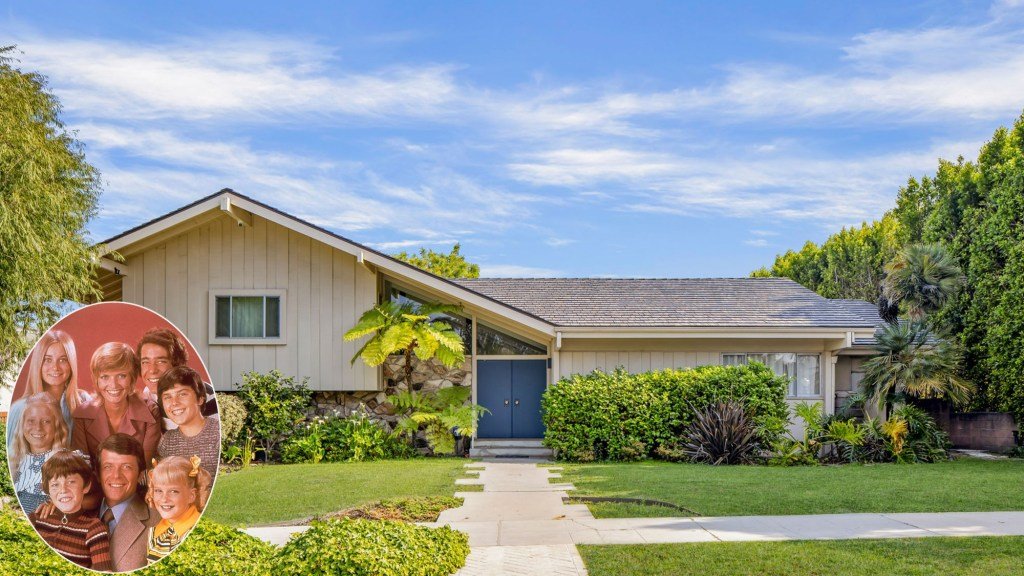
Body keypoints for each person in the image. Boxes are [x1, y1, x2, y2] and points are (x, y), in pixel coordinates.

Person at [72, 342, 160, 465]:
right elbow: (81, 468)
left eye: (121, 376)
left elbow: (144, 467)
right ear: (96, 380)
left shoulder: (150, 412)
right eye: (104, 377)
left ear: (132, 378)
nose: (113, 385)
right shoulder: (82, 415)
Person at [6, 331, 91, 453]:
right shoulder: (19, 409)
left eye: (63, 360)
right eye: (47, 359)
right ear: (38, 363)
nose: (55, 367)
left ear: (71, 363)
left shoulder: (84, 402)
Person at [28, 450, 112, 571]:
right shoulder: (35, 519)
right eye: (55, 485)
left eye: (71, 482)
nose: (63, 490)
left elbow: (105, 572)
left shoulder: (94, 528)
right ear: (48, 490)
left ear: (86, 486)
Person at [97, 433, 158, 572]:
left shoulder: (158, 521)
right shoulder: (77, 511)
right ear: (98, 474)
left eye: (126, 467)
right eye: (108, 467)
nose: (116, 475)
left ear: (141, 475)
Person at [137, 328, 217, 430]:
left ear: (177, 364)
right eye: (145, 362)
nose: (152, 370)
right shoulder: (147, 397)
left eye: (161, 361)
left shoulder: (207, 396)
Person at [9, 394, 70, 513]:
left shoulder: (68, 460)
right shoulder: (14, 461)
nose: (38, 428)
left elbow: (91, 498)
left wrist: (60, 503)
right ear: (22, 424)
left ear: (56, 426)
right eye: (31, 421)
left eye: (46, 421)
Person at [145, 455, 211, 565]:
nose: (164, 499)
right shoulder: (156, 530)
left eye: (173, 491)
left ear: (191, 495)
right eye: (158, 491)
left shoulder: (197, 532)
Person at [156, 366, 220, 478]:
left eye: (182, 394)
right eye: (167, 397)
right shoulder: (167, 441)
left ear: (200, 399)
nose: (174, 402)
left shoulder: (217, 434)